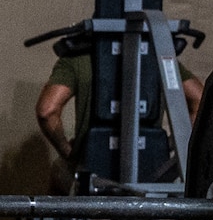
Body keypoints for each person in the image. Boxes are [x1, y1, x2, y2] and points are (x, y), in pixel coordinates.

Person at [35, 44, 203, 173]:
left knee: (59, 173)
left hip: (91, 166)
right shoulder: (159, 57)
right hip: (147, 167)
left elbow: (47, 111)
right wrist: (168, 145)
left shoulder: (78, 57)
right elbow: (200, 100)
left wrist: (69, 153)